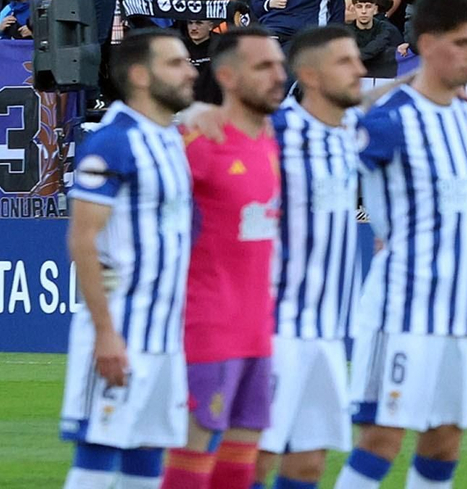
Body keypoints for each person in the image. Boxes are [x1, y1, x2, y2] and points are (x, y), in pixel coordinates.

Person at [336, 0, 467, 489]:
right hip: (402, 306)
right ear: (426, 44)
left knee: (444, 442)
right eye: (461, 43)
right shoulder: (389, 117)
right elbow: (328, 150)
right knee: (382, 439)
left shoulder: (463, 113)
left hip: (457, 313)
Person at [59, 30, 196, 489]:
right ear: (140, 75)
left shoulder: (171, 138)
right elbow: (83, 239)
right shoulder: (114, 142)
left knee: (146, 461)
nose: (190, 72)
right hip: (122, 330)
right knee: (98, 458)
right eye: (175, 63)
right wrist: (105, 333)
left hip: (165, 336)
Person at [162, 28, 284, 489]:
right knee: (192, 455)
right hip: (206, 325)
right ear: (228, 76)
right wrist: (188, 113)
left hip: (258, 326)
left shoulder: (269, 140)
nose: (278, 75)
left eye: (279, 65)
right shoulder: (198, 140)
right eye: (263, 66)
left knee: (242, 464)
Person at [246, 26, 365, 489]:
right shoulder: (275, 132)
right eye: (345, 62)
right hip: (277, 328)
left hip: (328, 331)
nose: (359, 70)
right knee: (255, 459)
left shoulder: (349, 131)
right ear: (310, 76)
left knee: (309, 464)